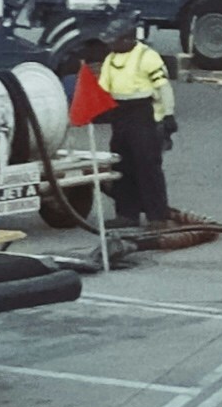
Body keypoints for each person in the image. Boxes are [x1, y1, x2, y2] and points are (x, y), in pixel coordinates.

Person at [81, 19, 210, 251]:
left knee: (147, 167)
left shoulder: (147, 57)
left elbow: (162, 88)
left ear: (129, 39)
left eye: (114, 40)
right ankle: (127, 214)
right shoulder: (111, 59)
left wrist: (168, 115)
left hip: (144, 115)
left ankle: (157, 216)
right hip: (120, 115)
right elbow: (103, 88)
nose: (109, 45)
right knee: (122, 166)